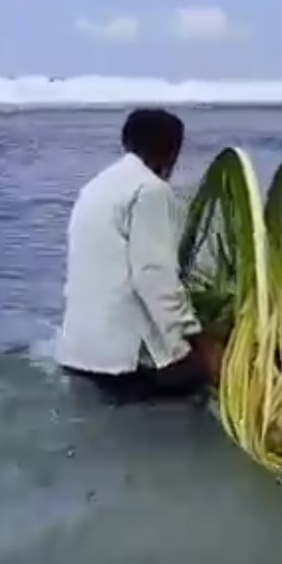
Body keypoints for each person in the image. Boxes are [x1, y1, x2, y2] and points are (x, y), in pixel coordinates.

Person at [55, 108, 222, 405]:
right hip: (123, 365)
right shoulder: (150, 190)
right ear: (171, 149)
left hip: (77, 352)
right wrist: (192, 340)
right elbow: (153, 275)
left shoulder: (96, 187)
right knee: (205, 379)